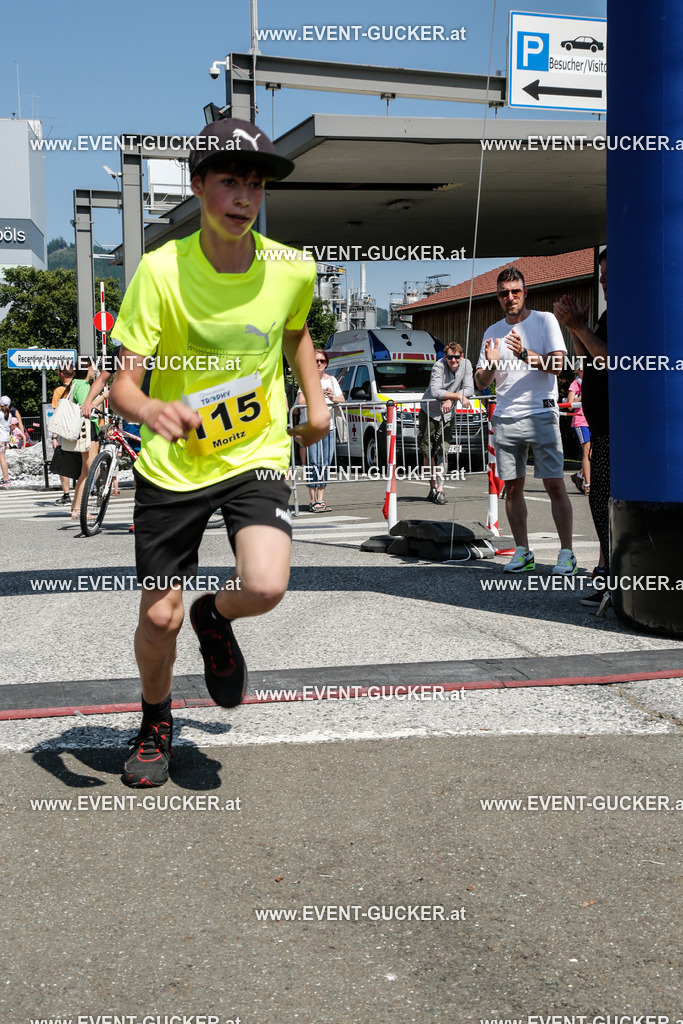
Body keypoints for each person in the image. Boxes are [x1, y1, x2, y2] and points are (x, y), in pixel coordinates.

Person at [109, 117, 329, 788]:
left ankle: (216, 614)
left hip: (253, 451)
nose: (243, 198)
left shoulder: (292, 268)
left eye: (255, 186)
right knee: (158, 614)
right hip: (173, 464)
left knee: (263, 584)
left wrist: (313, 399)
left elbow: (293, 334)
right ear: (198, 185)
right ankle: (154, 717)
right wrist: (150, 410)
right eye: (229, 182)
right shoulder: (161, 270)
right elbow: (123, 383)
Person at [474, 266, 577, 575]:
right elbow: (481, 381)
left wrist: (524, 355)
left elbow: (559, 366)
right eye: (504, 293)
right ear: (498, 296)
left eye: (515, 291)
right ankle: (523, 551)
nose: (510, 297)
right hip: (506, 417)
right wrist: (491, 367)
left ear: (525, 292)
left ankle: (567, 553)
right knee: (512, 488)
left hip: (541, 412)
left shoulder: (545, 321)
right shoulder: (492, 332)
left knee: (554, 485)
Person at [554, 249, 608, 606]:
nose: (602, 281)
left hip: (615, 427)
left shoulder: (631, 313)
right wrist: (576, 330)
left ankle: (609, 573)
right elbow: (586, 360)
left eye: (608, 275)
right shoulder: (607, 316)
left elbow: (610, 358)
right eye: (600, 275)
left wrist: (580, 328)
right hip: (602, 423)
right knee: (601, 503)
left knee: (605, 502)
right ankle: (606, 570)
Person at [418, 342, 474, 504]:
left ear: (461, 356)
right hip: (430, 411)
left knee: (443, 450)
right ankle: (432, 488)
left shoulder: (466, 364)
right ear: (445, 357)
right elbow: (435, 391)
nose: (454, 361)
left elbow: (470, 388)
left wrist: (450, 398)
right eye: (450, 357)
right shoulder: (438, 366)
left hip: (448, 414)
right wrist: (457, 396)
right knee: (428, 452)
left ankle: (440, 490)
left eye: (457, 357)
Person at [296, 349, 344, 511]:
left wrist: (332, 397)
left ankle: (321, 499)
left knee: (325, 464)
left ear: (326, 364)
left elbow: (341, 399)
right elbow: (301, 401)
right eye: (316, 360)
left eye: (322, 361)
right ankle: (312, 499)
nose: (319, 364)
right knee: (313, 463)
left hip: (328, 428)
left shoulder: (331, 380)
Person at [70, 358, 104, 521]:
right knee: (92, 471)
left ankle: (76, 508)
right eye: (93, 366)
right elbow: (87, 407)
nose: (96, 369)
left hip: (82, 430)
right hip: (89, 429)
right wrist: (104, 395)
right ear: (87, 368)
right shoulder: (83, 386)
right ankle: (80, 508)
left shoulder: (75, 383)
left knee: (84, 472)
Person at [51, 363, 76, 505]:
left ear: (62, 374)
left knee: (64, 463)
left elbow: (57, 414)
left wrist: (54, 436)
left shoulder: (59, 391)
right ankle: (91, 490)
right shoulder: (80, 387)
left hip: (65, 431)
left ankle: (66, 495)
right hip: (81, 429)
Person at [568, 370, 590, 495]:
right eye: (581, 370)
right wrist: (583, 393)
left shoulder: (592, 382)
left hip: (591, 419)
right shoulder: (575, 384)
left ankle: (579, 475)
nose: (584, 372)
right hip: (580, 420)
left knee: (592, 453)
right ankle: (588, 485)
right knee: (586, 451)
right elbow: (570, 406)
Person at [0, 397, 28, 485]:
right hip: (5, 438)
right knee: (2, 458)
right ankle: (6, 478)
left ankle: (6, 479)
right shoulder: (9, 415)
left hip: (0, 438)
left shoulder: (0, 414)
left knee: (2, 458)